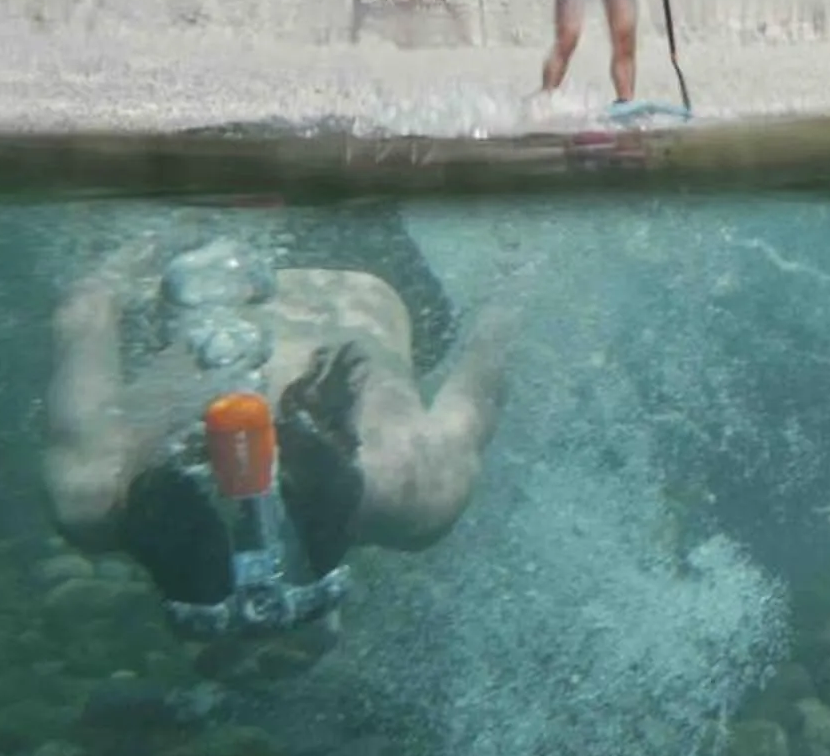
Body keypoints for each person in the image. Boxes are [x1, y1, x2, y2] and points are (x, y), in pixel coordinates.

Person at [44, 237, 515, 639]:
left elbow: (486, 367)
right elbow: (84, 309)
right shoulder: (92, 493)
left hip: (362, 266)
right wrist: (143, 244)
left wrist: (516, 264)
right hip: (205, 260)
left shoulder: (414, 489)